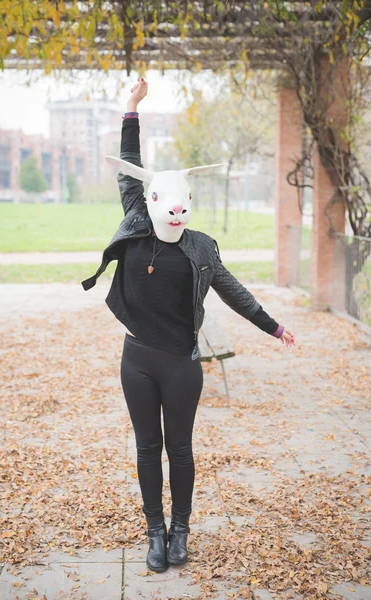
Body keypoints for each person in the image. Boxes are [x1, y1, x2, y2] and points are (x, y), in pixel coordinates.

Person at [81, 77, 296, 573]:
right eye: (166, 202)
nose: (175, 212)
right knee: (147, 448)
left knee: (179, 449)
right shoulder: (136, 220)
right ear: (155, 201)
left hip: (181, 362)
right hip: (136, 359)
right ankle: (154, 532)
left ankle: (181, 530)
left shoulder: (200, 246)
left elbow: (233, 289)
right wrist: (131, 107)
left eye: (182, 203)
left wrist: (273, 325)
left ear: (188, 203)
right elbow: (128, 172)